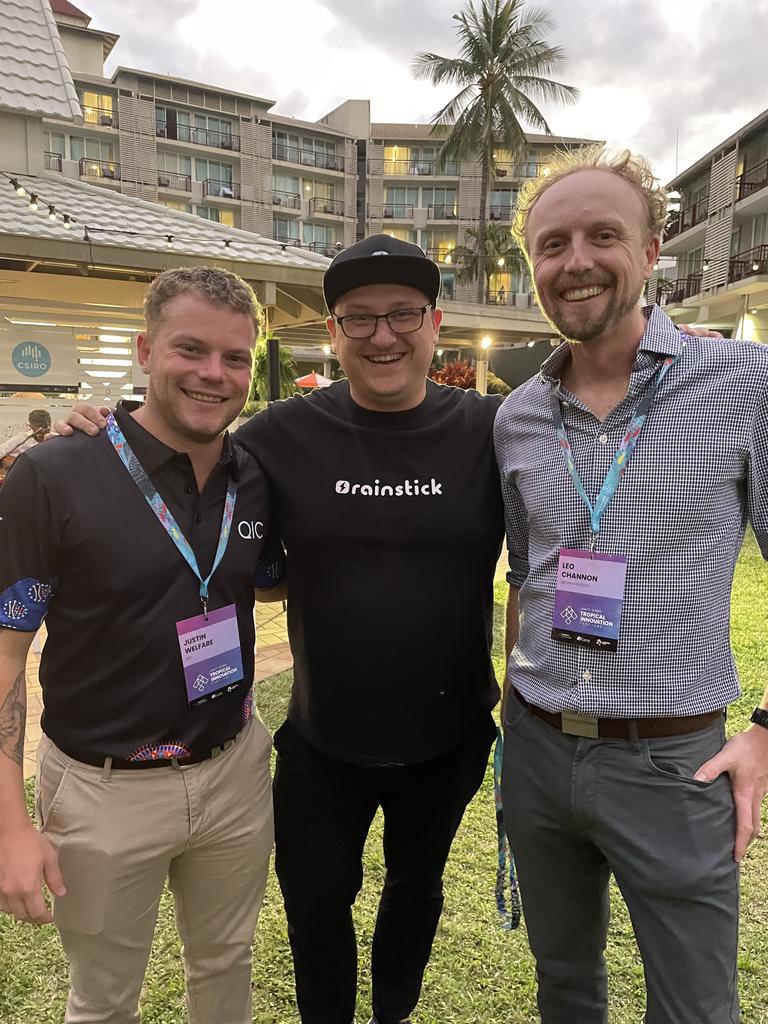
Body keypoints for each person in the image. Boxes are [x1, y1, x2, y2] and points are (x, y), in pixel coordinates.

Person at [56, 235, 504, 1024]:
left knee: (416, 888)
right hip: (321, 740)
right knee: (316, 908)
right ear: (333, 332)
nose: (383, 335)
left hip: (450, 732)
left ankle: (393, 1013)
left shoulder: (495, 431)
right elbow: (174, 442)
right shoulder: (275, 436)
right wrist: (96, 428)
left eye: (404, 314)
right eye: (359, 319)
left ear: (436, 324)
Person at [494, 145, 768, 1023]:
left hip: (673, 761)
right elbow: (528, 576)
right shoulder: (518, 414)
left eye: (602, 235)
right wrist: (509, 709)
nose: (575, 261)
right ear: (532, 266)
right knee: (564, 989)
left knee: (695, 1007)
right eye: (552, 243)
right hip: (537, 747)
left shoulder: (743, 384)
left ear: (654, 251)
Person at [0, 267, 278, 1024]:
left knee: (226, 969)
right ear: (145, 349)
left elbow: (270, 577)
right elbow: (5, 656)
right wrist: (8, 823)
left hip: (233, 773)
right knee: (103, 999)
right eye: (192, 349)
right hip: (102, 790)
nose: (214, 374)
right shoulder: (52, 473)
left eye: (235, 358)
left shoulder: (254, 474)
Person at [0, 408, 51, 484]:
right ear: (30, 426)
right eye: (39, 427)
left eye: (46, 427)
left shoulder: (55, 440)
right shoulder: (21, 438)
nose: (44, 431)